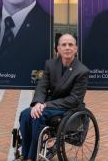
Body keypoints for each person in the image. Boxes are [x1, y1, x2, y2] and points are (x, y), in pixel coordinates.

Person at [19, 33, 89, 161]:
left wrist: (45, 105)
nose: (67, 47)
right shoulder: (50, 64)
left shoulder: (82, 71)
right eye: (64, 44)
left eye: (70, 44)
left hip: (68, 108)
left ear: (76, 49)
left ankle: (31, 157)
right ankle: (25, 153)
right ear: (58, 48)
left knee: (38, 116)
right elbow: (42, 86)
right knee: (25, 114)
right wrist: (37, 103)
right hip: (49, 105)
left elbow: (74, 99)